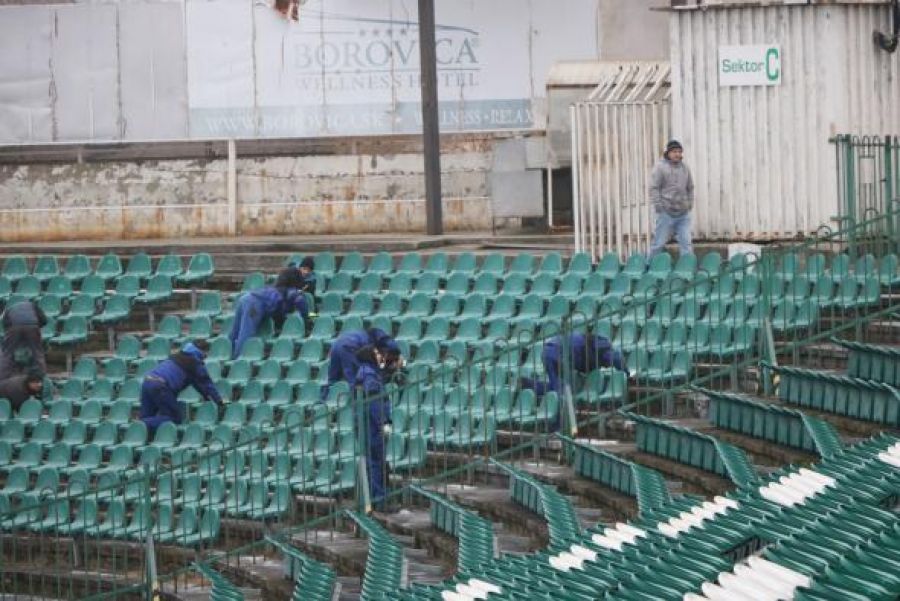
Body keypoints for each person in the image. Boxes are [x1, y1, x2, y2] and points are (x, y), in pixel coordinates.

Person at [520, 333, 628, 428]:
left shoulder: (589, 342)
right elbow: (615, 358)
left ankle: (531, 385)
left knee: (556, 387)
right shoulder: (603, 345)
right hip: (557, 354)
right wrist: (626, 372)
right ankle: (559, 428)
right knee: (561, 394)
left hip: (548, 351)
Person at [139, 341, 222, 432]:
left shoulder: (176, 356)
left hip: (147, 381)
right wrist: (218, 401)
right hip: (160, 386)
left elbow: (198, 385)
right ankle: (142, 424)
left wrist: (206, 397)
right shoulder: (194, 363)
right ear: (203, 352)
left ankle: (139, 426)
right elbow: (206, 384)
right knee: (174, 418)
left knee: (147, 416)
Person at [354, 345, 393, 506]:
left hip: (365, 425)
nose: (379, 356)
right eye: (376, 353)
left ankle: (374, 498)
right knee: (376, 462)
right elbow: (374, 404)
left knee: (373, 462)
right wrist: (384, 422)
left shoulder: (365, 373)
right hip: (372, 427)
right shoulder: (370, 376)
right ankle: (380, 500)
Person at [228, 283, 310, 359]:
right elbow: (304, 309)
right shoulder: (295, 295)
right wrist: (310, 316)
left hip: (245, 298)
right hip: (253, 305)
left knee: (235, 331)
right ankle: (238, 357)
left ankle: (229, 355)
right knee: (247, 332)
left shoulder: (281, 290)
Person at [320, 328, 402, 401]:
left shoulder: (368, 336)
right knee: (354, 380)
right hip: (348, 346)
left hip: (336, 345)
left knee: (332, 379)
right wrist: (398, 358)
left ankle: (323, 400)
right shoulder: (378, 340)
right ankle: (357, 406)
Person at [647, 139, 694, 258]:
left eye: (679, 151)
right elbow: (654, 188)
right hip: (666, 213)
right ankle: (649, 266)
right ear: (668, 153)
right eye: (674, 151)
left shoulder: (685, 168)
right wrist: (659, 207)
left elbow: (690, 187)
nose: (677, 154)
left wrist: (689, 204)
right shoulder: (660, 167)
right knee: (659, 243)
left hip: (683, 214)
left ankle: (687, 268)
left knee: (686, 243)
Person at [0, 300, 48, 379]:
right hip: (32, 326)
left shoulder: (10, 309)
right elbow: (44, 320)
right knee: (37, 352)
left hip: (14, 327)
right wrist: (37, 328)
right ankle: (42, 376)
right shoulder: (33, 306)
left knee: (7, 353)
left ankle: (3, 377)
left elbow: (6, 326)